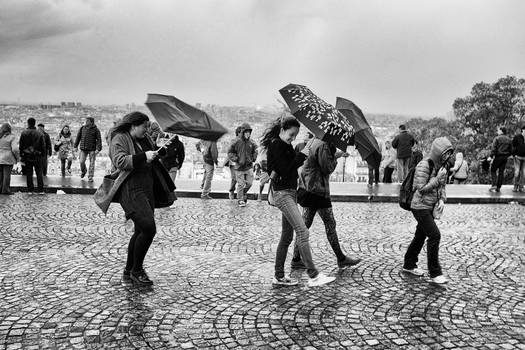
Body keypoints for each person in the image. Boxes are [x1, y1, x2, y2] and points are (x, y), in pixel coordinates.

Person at [99, 111, 175, 285]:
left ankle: (129, 271)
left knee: (140, 230)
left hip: (146, 188)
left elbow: (151, 156)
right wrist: (144, 156)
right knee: (148, 228)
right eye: (144, 126)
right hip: (130, 189)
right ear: (133, 125)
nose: (147, 129)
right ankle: (137, 270)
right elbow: (120, 161)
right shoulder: (120, 138)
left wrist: (161, 151)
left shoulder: (145, 138)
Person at [262, 116, 335, 287]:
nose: (293, 138)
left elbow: (286, 168)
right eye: (291, 134)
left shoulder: (284, 145)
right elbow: (285, 169)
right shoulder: (276, 144)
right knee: (303, 231)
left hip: (289, 193)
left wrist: (301, 153)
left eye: (295, 135)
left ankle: (279, 276)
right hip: (283, 194)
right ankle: (314, 275)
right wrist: (302, 154)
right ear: (282, 130)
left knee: (287, 237)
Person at [292, 138, 361, 269]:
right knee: (329, 223)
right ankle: (341, 258)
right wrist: (336, 158)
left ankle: (296, 258)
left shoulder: (314, 141)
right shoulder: (323, 145)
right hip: (317, 190)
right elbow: (327, 167)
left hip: (308, 187)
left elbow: (320, 160)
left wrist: (336, 154)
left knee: (305, 225)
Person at [402, 137, 454, 284]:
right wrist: (437, 178)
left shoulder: (442, 166)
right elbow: (421, 188)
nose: (447, 156)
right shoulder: (424, 165)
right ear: (438, 152)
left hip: (430, 206)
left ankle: (409, 264)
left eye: (449, 153)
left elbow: (442, 186)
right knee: (435, 235)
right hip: (419, 206)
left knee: (420, 236)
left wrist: (442, 199)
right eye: (445, 153)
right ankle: (435, 273)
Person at [228, 123, 258, 207]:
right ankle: (240, 199)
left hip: (249, 166)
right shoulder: (236, 141)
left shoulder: (252, 142)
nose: (248, 134)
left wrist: (253, 158)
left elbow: (256, 149)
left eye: (249, 132)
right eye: (246, 132)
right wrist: (236, 159)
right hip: (239, 167)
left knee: (250, 183)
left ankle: (242, 193)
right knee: (240, 184)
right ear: (243, 132)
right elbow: (230, 152)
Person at [19, 117, 45, 194]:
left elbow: (21, 146)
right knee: (39, 173)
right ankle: (40, 190)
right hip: (37, 155)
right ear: (34, 123)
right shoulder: (39, 133)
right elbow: (43, 146)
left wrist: (22, 155)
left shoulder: (24, 133)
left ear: (28, 123)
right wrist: (42, 155)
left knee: (29, 173)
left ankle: (30, 190)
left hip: (27, 155)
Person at [74, 117, 102, 182]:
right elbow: (78, 137)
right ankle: (84, 171)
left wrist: (98, 149)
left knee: (92, 163)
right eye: (85, 120)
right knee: (81, 161)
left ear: (91, 122)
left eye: (87, 121)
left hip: (92, 149)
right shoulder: (82, 128)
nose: (86, 122)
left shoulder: (96, 130)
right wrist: (75, 146)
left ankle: (90, 176)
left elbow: (99, 140)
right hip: (83, 149)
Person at [488, 126, 512, 193]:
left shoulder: (497, 138)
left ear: (501, 131)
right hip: (505, 158)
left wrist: (491, 156)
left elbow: (494, 148)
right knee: (501, 172)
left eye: (498, 130)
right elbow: (511, 150)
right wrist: (507, 155)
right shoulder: (509, 139)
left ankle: (494, 184)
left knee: (493, 169)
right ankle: (498, 187)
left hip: (498, 156)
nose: (497, 131)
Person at [0, 123, 20, 195]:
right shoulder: (12, 137)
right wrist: (17, 158)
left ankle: (0, 188)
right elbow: (15, 149)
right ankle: (5, 190)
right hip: (8, 158)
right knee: (7, 175)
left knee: (0, 174)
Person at [224, 126, 242, 200]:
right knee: (234, 178)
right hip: (233, 162)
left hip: (241, 162)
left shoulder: (244, 141)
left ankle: (240, 194)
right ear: (238, 133)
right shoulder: (233, 141)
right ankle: (231, 191)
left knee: (241, 179)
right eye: (242, 132)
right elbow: (230, 151)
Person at [511, 125, 525, 192]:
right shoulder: (517, 137)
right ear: (523, 130)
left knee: (523, 173)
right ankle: (515, 186)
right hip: (518, 157)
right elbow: (513, 145)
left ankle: (521, 187)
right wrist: (514, 154)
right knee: (517, 172)